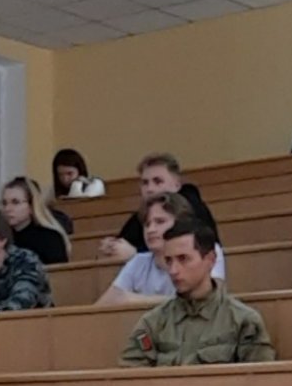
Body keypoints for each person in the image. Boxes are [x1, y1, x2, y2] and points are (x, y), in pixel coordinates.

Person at [121, 219, 276, 366]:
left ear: (210, 260)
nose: (173, 270)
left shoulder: (243, 321)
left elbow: (260, 379)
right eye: (168, 261)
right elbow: (131, 377)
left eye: (183, 259)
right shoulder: (153, 323)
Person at [97, 193, 228, 306]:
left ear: (181, 223)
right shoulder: (138, 261)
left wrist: (134, 300)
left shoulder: (203, 249)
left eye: (160, 222)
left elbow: (209, 300)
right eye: (147, 224)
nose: (151, 230)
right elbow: (102, 306)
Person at [104, 153, 218, 261]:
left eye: (158, 181)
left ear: (177, 185)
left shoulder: (192, 210)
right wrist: (113, 245)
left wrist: (136, 254)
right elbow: (126, 239)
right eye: (145, 183)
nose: (150, 189)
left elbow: (189, 253)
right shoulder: (142, 214)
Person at [0, 177, 70, 266]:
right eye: (4, 203)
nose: (7, 209)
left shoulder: (50, 238)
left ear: (31, 206)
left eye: (15, 202)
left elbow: (58, 272)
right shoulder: (0, 239)